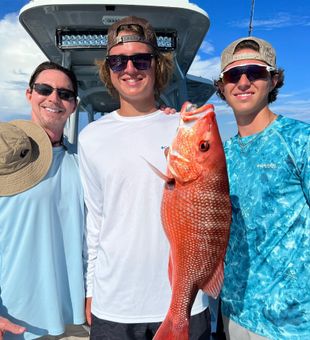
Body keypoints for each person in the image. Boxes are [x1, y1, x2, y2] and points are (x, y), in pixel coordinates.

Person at [78, 16, 210, 339]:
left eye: (141, 59)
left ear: (156, 65)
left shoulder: (182, 127)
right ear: (108, 70)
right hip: (114, 304)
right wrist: (91, 288)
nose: (130, 68)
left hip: (184, 302)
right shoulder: (91, 137)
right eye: (118, 61)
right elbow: (95, 224)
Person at [213, 36, 310, 339]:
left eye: (255, 72)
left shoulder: (300, 140)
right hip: (234, 314)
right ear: (222, 86)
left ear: (273, 80)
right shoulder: (219, 155)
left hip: (293, 323)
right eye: (232, 75)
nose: (243, 82)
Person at [0, 61, 88, 339]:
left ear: (74, 105)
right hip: (16, 320)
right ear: (29, 94)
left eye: (65, 94)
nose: (54, 98)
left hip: (79, 320)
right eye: (44, 89)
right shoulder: (4, 159)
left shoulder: (84, 161)